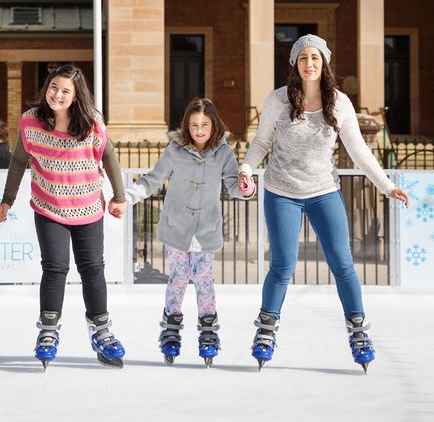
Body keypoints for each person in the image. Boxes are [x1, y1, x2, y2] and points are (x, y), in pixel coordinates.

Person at [238, 34, 410, 373]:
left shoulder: (339, 103)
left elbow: (360, 152)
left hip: (322, 191)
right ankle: (266, 330)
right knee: (283, 266)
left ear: (324, 62)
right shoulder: (278, 100)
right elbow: (260, 143)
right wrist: (246, 167)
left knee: (342, 264)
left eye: (315, 57)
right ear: (294, 64)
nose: (309, 63)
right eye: (303, 58)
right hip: (281, 191)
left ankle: (358, 331)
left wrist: (387, 186)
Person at [0, 63, 127, 369]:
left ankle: (102, 332)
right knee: (55, 268)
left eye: (65, 90)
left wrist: (119, 197)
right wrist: (7, 200)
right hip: (49, 206)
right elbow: (18, 161)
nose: (57, 94)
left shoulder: (92, 122)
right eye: (54, 87)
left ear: (76, 95)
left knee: (93, 268)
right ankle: (48, 331)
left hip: (89, 207)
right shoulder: (31, 121)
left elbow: (108, 155)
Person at [126, 97, 247, 367]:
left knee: (204, 278)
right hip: (176, 227)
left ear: (214, 125)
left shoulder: (224, 153)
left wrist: (246, 188)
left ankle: (207, 329)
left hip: (206, 230)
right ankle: (171, 326)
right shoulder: (175, 150)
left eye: (205, 124)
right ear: (187, 126)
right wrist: (128, 196)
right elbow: (152, 179)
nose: (199, 130)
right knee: (179, 276)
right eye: (194, 125)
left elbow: (233, 185)